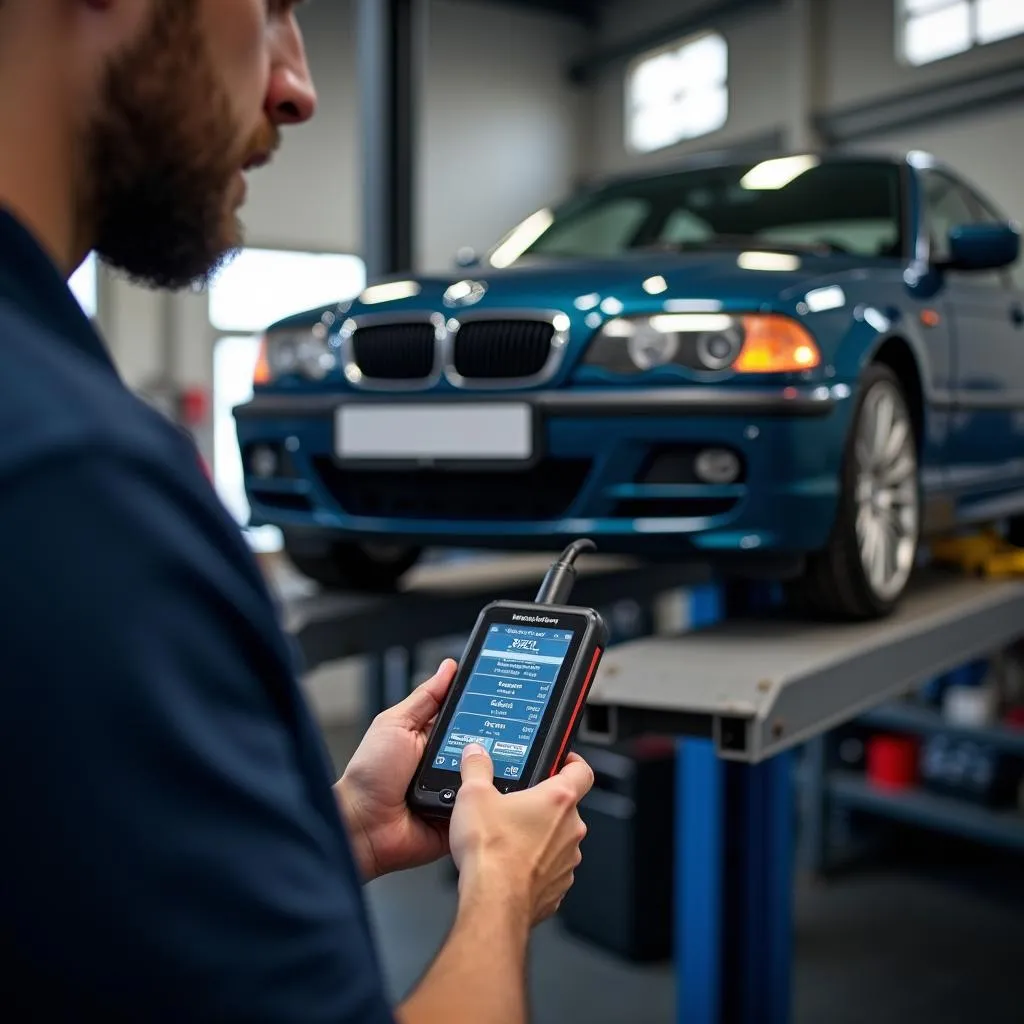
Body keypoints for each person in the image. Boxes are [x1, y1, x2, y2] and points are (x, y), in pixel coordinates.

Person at [0, 2, 594, 1021]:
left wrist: (345, 834)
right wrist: (497, 889)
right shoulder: (73, 485)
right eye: (270, 5)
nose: (298, 86)